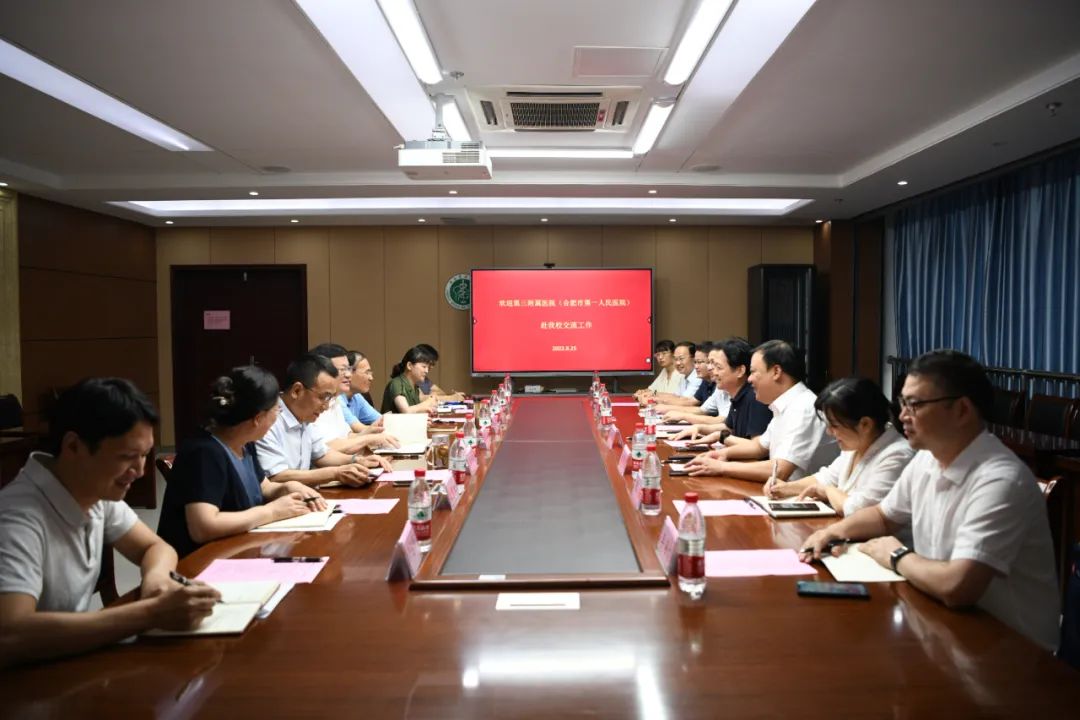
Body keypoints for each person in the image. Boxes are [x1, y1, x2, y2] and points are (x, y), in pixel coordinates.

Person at [800, 350, 1059, 651]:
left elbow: (957, 587)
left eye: (915, 405)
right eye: (902, 403)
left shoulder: (1000, 480)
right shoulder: (927, 459)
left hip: (1010, 649)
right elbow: (883, 516)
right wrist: (832, 532)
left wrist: (896, 555)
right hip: (942, 624)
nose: (902, 416)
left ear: (962, 409)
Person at [0, 378, 220, 668]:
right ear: (73, 446)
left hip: (69, 663)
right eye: (127, 457)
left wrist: (156, 581)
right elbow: (11, 634)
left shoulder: (91, 490)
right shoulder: (16, 519)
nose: (140, 471)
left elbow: (155, 547)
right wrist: (150, 614)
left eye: (145, 455)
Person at [158, 366, 329, 559]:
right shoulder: (204, 452)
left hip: (238, 549)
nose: (278, 416)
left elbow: (264, 487)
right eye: (277, 410)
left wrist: (287, 487)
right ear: (258, 418)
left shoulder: (245, 444)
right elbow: (203, 527)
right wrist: (271, 512)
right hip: (201, 561)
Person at [686, 339, 836, 482]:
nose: (749, 379)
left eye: (753, 372)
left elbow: (780, 470)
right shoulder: (784, 404)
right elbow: (759, 447)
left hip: (802, 496)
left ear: (776, 372)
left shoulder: (802, 407)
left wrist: (721, 467)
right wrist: (719, 454)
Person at [762, 377, 913, 516]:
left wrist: (828, 491)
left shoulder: (897, 455)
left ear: (865, 424)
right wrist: (785, 488)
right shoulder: (857, 443)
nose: (829, 432)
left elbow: (858, 509)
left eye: (835, 425)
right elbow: (826, 478)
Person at [255, 353, 381, 488]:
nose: (326, 407)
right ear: (297, 391)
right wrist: (335, 473)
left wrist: (356, 460)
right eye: (323, 397)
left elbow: (321, 454)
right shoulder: (268, 420)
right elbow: (276, 477)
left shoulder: (305, 416)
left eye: (330, 398)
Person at [673, 338, 769, 439]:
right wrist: (699, 428)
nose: (712, 371)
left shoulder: (755, 397)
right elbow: (729, 427)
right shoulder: (737, 394)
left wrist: (721, 438)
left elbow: (756, 446)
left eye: (718, 367)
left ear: (740, 371)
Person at [308, 343, 397, 453]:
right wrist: (367, 439)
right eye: (342, 369)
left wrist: (370, 431)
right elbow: (326, 447)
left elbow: (346, 436)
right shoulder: (313, 403)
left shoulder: (334, 399)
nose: (349, 375)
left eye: (348, 369)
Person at [382, 346, 439, 414]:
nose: (427, 371)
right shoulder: (396, 383)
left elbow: (415, 411)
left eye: (428, 368)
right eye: (424, 367)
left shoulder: (415, 387)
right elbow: (406, 411)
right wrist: (427, 402)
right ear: (409, 365)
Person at [649, 341, 702, 407]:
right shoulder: (684, 375)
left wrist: (655, 399)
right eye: (676, 359)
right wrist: (650, 395)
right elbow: (675, 396)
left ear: (694, 359)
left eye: (681, 358)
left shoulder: (698, 377)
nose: (677, 363)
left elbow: (685, 401)